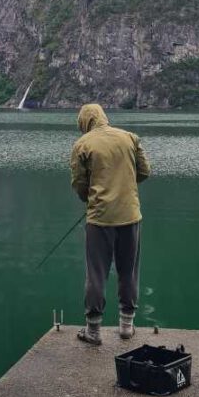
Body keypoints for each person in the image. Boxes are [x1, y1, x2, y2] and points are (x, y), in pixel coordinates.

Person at [69, 103, 151, 346]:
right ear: (103, 116)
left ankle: (93, 330)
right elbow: (144, 171)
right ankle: (126, 326)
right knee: (129, 271)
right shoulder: (129, 138)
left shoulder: (82, 145)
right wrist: (124, 186)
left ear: (84, 122)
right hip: (130, 215)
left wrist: (90, 198)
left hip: (99, 219)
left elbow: (79, 184)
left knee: (96, 274)